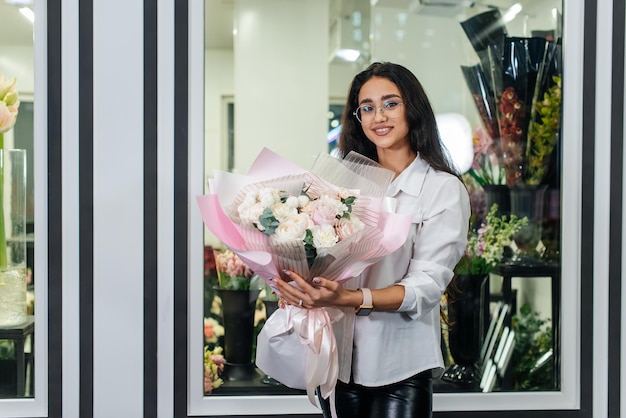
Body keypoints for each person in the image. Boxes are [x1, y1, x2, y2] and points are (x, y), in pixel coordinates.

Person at [274, 62, 471, 418]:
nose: (378, 115)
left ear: (413, 108)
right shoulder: (338, 185)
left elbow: (426, 286)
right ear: (358, 117)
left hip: (400, 366)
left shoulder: (442, 189)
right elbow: (315, 259)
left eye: (390, 103)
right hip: (336, 360)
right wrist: (296, 285)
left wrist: (350, 298)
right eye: (367, 107)